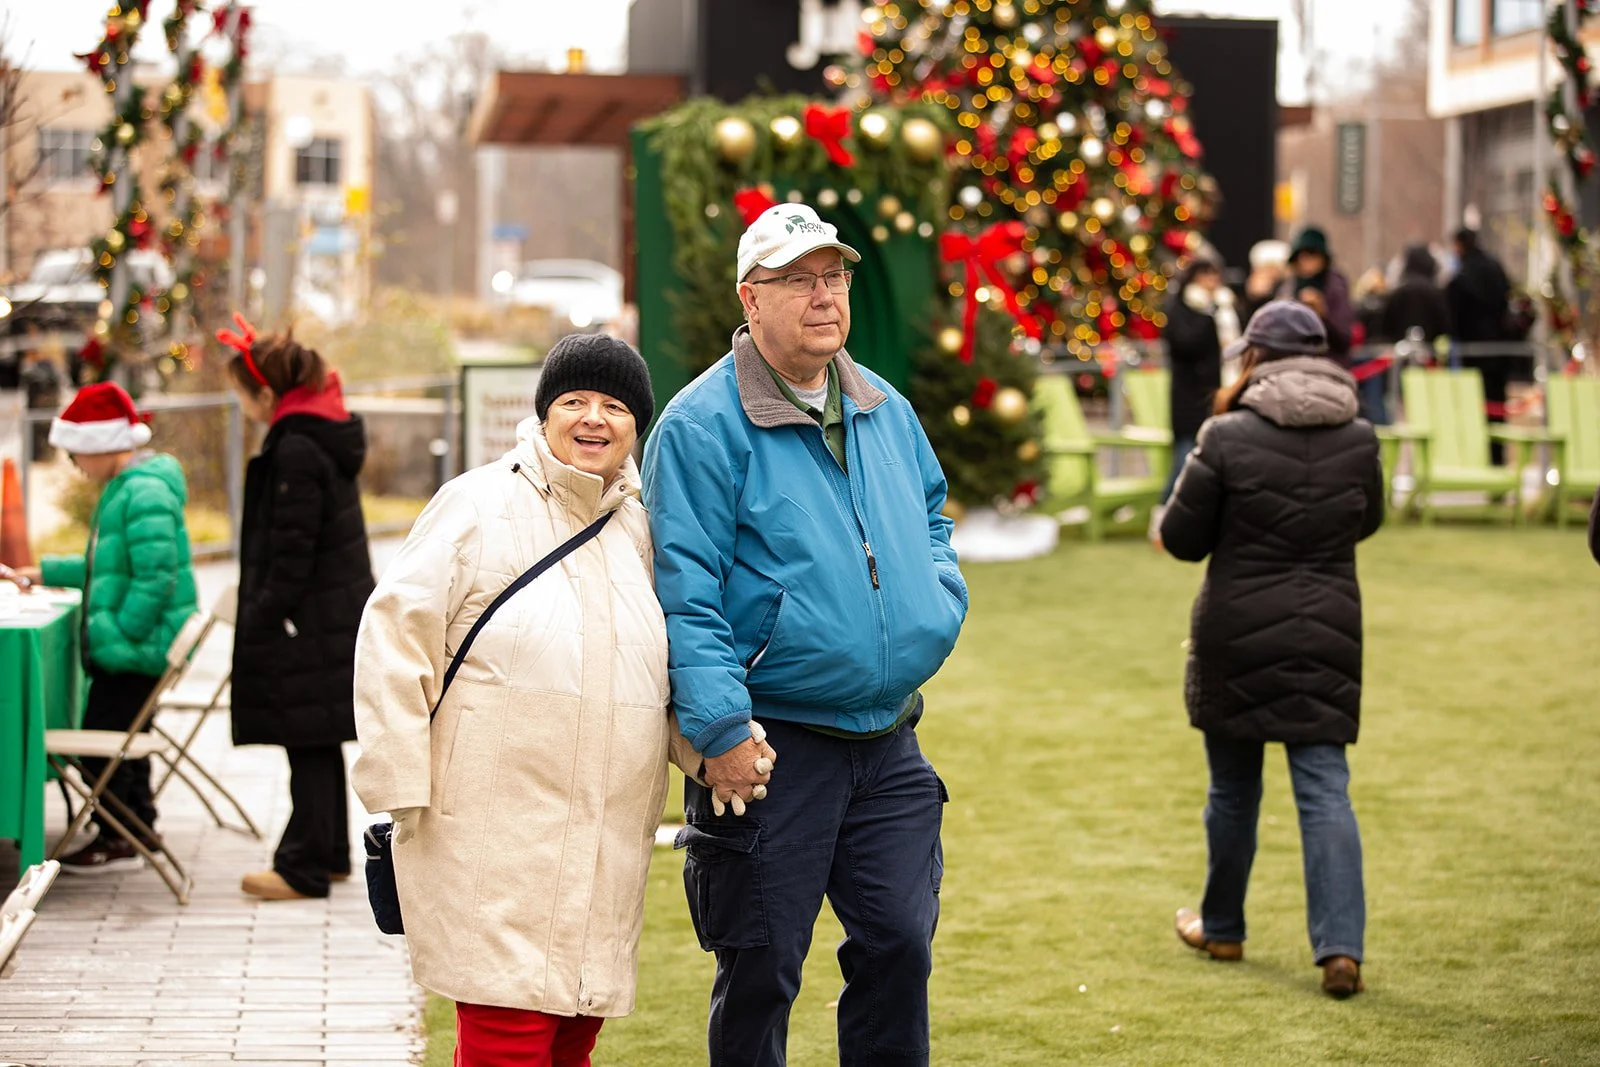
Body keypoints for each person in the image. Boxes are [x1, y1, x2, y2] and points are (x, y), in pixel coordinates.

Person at [643, 203, 968, 1067]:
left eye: (835, 276)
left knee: (900, 945)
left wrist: (938, 598)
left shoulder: (883, 406)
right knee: (760, 974)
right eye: (798, 279)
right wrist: (717, 729)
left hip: (889, 740)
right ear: (751, 299)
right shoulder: (698, 426)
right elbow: (685, 590)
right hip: (770, 746)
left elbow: (932, 517)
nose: (824, 296)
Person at [350, 334, 707, 1066]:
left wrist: (711, 750)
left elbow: (667, 667)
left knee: (573, 1035)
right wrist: (400, 786)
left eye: (614, 406)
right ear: (543, 414)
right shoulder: (477, 505)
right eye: (574, 400)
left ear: (637, 426)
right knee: (506, 1039)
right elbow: (393, 637)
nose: (593, 419)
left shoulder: (638, 529)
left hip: (603, 842)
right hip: (490, 838)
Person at [1159, 301, 1384, 1000]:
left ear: (1251, 357)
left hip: (1237, 629)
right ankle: (1340, 949)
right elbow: (1368, 520)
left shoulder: (1225, 435)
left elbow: (1183, 535)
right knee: (1325, 791)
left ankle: (1222, 924)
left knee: (1233, 788)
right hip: (1328, 629)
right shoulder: (1361, 436)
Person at [5, 382, 199, 873]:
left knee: (99, 745)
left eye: (76, 456)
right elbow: (108, 565)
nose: (76, 467)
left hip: (137, 649)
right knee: (119, 741)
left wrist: (119, 629)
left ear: (102, 445)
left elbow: (157, 576)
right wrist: (43, 573)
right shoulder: (133, 486)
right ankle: (138, 824)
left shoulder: (143, 490)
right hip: (139, 649)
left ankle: (120, 833)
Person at [219, 321, 374, 902]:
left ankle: (304, 865)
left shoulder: (296, 448)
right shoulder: (316, 436)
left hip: (306, 619)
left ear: (266, 395)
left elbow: (292, 549)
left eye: (243, 394)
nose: (242, 406)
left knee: (306, 735)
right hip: (328, 614)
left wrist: (261, 613)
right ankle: (328, 853)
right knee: (317, 734)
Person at [1161, 256, 1240, 503]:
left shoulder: (1227, 306)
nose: (1211, 281)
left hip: (1225, 389)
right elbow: (1184, 344)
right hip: (1191, 397)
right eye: (1205, 275)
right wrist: (1208, 318)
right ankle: (1165, 511)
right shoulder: (1181, 308)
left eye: (1214, 274)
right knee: (1185, 460)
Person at [1446, 228, 1515, 462]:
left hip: (1474, 353)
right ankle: (1497, 460)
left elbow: (1455, 314)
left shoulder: (1465, 274)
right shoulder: (1493, 267)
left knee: (1475, 408)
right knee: (1496, 409)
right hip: (1499, 353)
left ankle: (1477, 460)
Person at [1278, 226, 1355, 365]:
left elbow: (1344, 337)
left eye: (1312, 255)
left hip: (1329, 367)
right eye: (1301, 256)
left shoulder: (1336, 289)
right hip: (1293, 367)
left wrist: (1322, 315)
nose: (1306, 262)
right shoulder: (1288, 289)